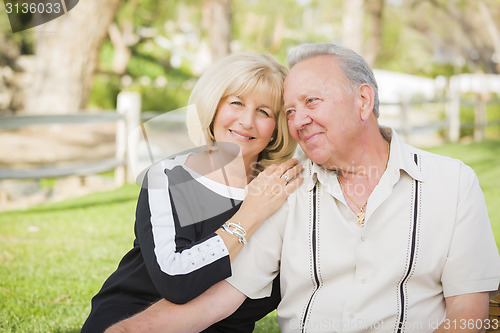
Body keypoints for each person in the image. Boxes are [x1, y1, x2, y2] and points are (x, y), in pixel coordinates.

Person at [105, 43, 500, 333]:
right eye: (291, 111)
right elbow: (215, 300)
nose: (298, 121)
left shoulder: (452, 183)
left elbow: (469, 313)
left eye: (311, 101)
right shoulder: (285, 190)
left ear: (363, 101)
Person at [81, 52, 303, 333]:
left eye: (264, 112)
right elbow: (175, 279)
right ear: (212, 109)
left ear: (276, 127)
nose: (247, 121)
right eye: (236, 103)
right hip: (131, 317)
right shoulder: (168, 177)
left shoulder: (283, 186)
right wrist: (250, 213)